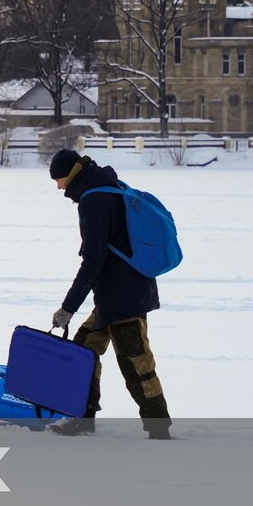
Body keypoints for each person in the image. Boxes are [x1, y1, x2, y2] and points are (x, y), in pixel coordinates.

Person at [47, 149, 171, 438]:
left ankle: (159, 429)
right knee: (83, 350)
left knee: (136, 363)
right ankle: (83, 417)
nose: (59, 186)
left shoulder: (93, 201)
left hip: (122, 297)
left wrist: (67, 308)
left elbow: (93, 262)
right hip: (125, 290)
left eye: (59, 179)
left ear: (72, 172)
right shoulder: (108, 186)